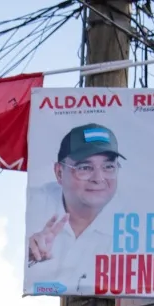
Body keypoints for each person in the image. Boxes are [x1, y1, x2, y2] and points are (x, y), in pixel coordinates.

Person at [27, 123, 124, 289]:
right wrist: (31, 256)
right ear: (59, 173)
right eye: (85, 167)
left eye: (108, 167)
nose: (98, 178)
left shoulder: (131, 225)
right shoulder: (35, 204)